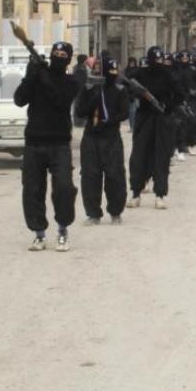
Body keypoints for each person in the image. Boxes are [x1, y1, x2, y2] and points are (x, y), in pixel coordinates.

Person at [14, 42, 80, 252]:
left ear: (68, 59)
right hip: (34, 142)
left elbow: (60, 101)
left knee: (63, 188)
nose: (58, 57)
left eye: (63, 54)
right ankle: (39, 233)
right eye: (55, 53)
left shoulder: (71, 81)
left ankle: (62, 230)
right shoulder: (37, 76)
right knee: (32, 190)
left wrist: (43, 77)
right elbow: (19, 100)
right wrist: (30, 75)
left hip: (59, 143)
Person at [127, 46, 183, 210]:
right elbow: (129, 88)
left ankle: (160, 194)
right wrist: (137, 95)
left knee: (162, 156)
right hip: (144, 117)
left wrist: (168, 106)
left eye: (160, 60)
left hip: (163, 119)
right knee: (139, 155)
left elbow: (180, 95)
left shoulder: (169, 75)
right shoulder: (141, 74)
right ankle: (136, 194)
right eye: (155, 60)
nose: (158, 63)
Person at [75, 57, 129, 225]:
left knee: (115, 175)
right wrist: (93, 101)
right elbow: (79, 112)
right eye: (110, 71)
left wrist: (110, 120)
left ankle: (115, 211)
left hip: (111, 137)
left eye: (115, 72)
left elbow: (124, 113)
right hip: (91, 137)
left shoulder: (120, 90)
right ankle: (93, 213)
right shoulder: (89, 88)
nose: (113, 75)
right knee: (90, 176)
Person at [124, 57, 139, 132]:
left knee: (135, 111)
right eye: (131, 62)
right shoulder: (126, 70)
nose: (132, 64)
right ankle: (132, 127)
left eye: (133, 62)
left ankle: (135, 127)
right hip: (129, 93)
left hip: (136, 93)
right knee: (131, 112)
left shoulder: (137, 70)